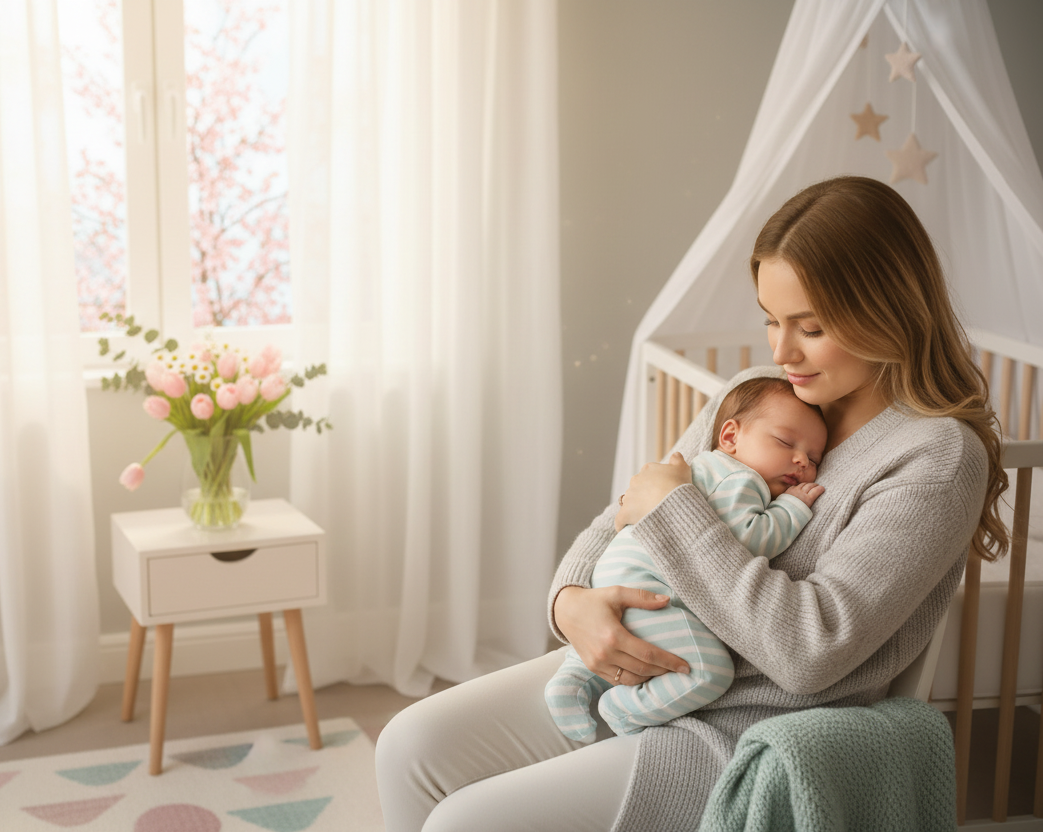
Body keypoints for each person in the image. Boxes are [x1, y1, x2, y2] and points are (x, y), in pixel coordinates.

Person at [374, 175, 1008, 832]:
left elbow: (811, 652)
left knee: (465, 823)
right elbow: (624, 515)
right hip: (633, 667)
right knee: (407, 748)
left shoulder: (934, 457)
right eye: (771, 320)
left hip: (732, 727)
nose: (782, 352)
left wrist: (676, 512)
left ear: (889, 311)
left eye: (811, 328)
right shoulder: (760, 396)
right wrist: (572, 604)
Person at [546, 377, 827, 742]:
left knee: (626, 630)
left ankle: (571, 678)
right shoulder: (742, 480)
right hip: (652, 586)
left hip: (614, 574)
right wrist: (791, 506)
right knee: (709, 672)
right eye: (785, 442)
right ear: (730, 437)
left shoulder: (701, 466)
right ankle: (623, 709)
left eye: (815, 458)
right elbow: (748, 540)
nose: (801, 460)